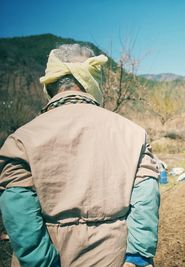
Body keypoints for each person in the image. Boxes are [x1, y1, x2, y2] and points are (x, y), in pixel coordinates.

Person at [0, 44, 161, 267]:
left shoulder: (20, 140)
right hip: (114, 257)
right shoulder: (134, 133)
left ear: (50, 83)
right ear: (92, 80)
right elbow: (146, 200)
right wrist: (137, 259)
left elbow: (20, 216)